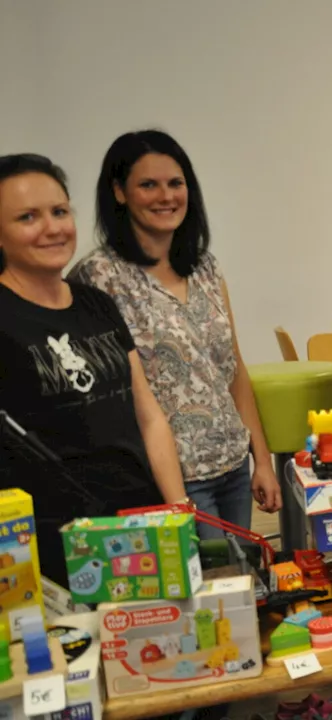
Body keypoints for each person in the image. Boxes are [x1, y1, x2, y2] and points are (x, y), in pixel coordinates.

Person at [69, 130, 281, 539]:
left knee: (236, 589)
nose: (165, 196)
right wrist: (172, 496)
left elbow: (233, 371)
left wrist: (263, 461)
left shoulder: (205, 267)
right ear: (119, 192)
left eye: (175, 183)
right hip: (170, 481)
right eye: (148, 185)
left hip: (233, 466)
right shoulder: (97, 277)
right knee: (201, 595)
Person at [0, 153, 186, 587]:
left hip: (136, 523)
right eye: (28, 217)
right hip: (52, 547)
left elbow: (148, 415)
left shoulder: (95, 303)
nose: (53, 228)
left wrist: (178, 508)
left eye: (60, 211)